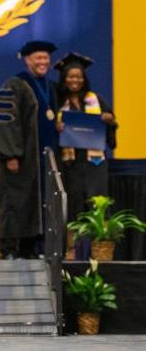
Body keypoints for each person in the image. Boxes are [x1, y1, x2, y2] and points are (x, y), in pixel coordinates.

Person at [0, 40, 58, 259]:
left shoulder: (49, 86)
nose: (43, 62)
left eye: (46, 58)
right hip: (23, 157)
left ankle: (30, 247)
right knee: (15, 200)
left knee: (36, 202)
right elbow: (4, 120)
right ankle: (9, 247)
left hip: (44, 158)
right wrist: (10, 153)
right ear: (27, 60)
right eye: (38, 58)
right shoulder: (15, 84)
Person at [54, 52, 117, 258]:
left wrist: (109, 120)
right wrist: (57, 126)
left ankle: (101, 251)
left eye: (79, 77)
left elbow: (112, 123)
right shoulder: (57, 102)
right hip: (70, 163)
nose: (75, 80)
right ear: (64, 78)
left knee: (97, 204)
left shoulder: (95, 99)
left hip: (94, 163)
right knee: (72, 206)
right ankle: (70, 251)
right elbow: (48, 128)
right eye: (71, 76)